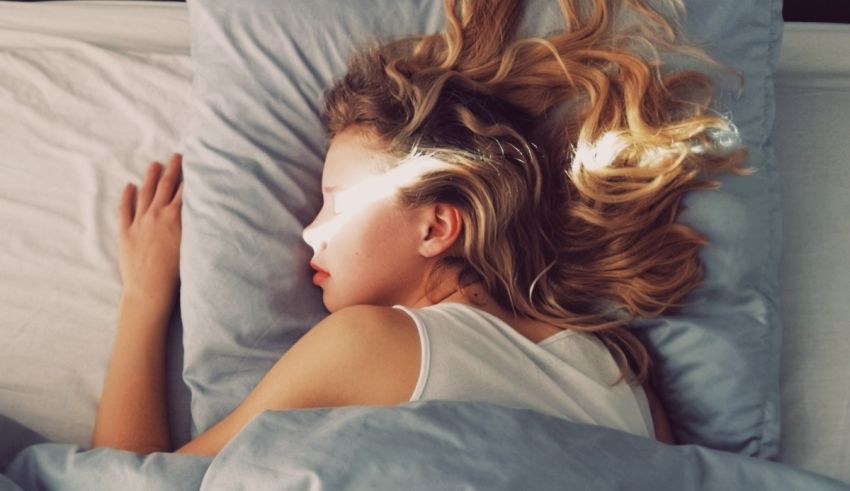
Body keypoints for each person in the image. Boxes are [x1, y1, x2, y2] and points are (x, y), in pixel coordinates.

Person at [92, 0, 749, 456]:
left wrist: (144, 298)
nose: (309, 235)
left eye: (337, 203)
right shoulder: (620, 376)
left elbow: (139, 483)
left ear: (437, 225)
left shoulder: (364, 342)